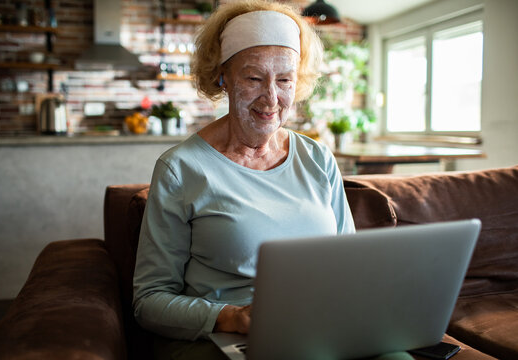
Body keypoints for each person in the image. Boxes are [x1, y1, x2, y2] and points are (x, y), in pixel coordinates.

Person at [133, 0, 356, 358]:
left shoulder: (318, 158)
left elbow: (351, 264)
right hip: (235, 337)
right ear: (222, 76)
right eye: (254, 78)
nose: (271, 99)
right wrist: (231, 317)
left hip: (320, 325)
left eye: (284, 80)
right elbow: (149, 301)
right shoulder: (180, 169)